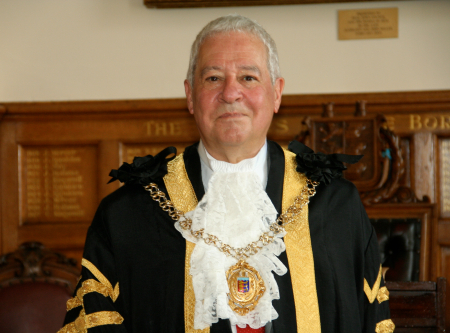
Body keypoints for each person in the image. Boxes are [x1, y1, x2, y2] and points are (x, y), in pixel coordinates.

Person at [58, 15, 394, 333]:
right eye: (213, 78)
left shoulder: (335, 203)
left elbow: (372, 320)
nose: (231, 93)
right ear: (191, 95)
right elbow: (95, 320)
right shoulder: (130, 213)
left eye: (248, 77)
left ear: (277, 93)